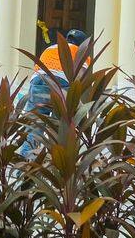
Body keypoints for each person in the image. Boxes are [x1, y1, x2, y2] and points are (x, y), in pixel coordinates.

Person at [22, 28, 88, 157]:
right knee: (59, 128)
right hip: (60, 85)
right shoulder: (80, 52)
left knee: (34, 125)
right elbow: (78, 79)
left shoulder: (50, 48)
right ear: (82, 44)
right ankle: (57, 163)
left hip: (38, 81)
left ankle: (25, 164)